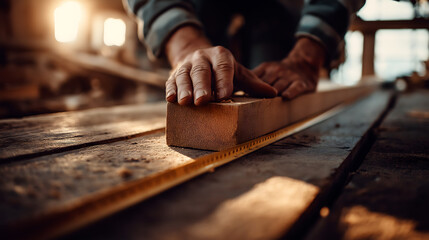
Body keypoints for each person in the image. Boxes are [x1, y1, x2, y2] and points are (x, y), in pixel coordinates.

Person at [124, 0, 365, 105]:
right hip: (198, 7)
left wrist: (306, 56)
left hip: (281, 10)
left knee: (272, 93)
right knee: (201, 87)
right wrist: (185, 47)